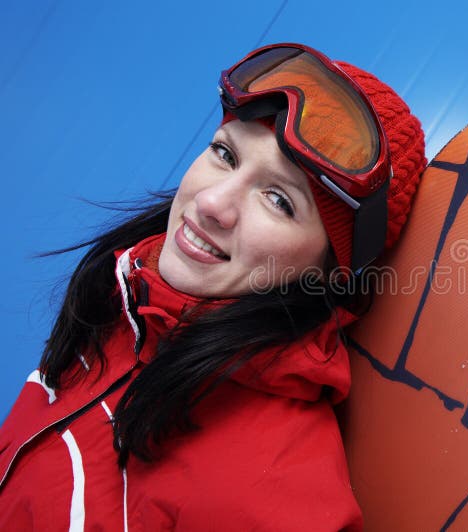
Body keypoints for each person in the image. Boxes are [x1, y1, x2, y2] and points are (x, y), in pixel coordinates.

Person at [0, 43, 426, 530]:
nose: (211, 203)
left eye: (278, 200)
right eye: (225, 153)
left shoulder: (270, 498)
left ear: (326, 272)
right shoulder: (125, 300)